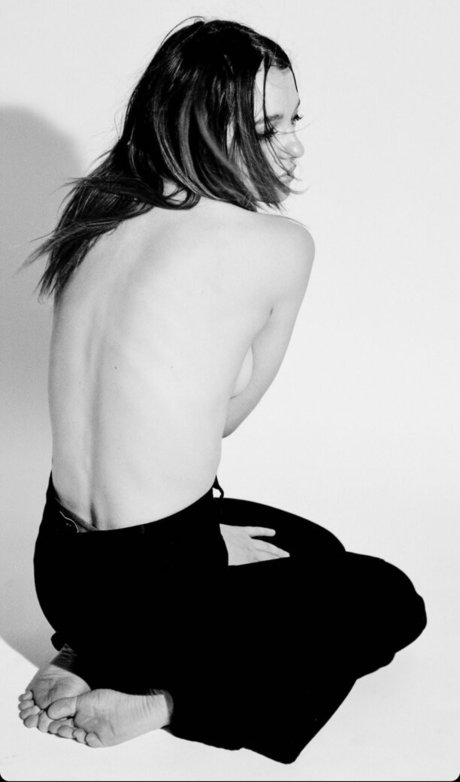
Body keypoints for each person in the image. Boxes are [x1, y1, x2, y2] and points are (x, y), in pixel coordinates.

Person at [17, 17, 426, 764]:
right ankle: (168, 700)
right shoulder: (277, 244)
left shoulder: (95, 217)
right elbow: (226, 422)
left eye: (294, 119)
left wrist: (195, 543)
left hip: (62, 571)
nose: (293, 145)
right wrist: (188, 555)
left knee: (305, 545)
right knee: (386, 597)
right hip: (155, 590)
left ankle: (89, 651)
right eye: (268, 127)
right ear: (200, 125)